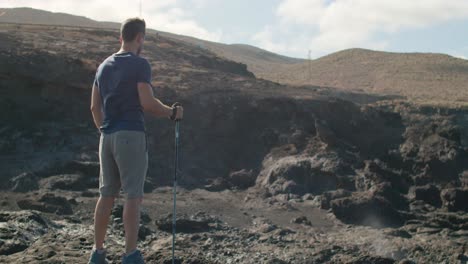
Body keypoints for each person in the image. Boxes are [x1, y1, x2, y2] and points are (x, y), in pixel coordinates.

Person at [88, 18, 183, 264]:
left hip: (106, 137)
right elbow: (148, 103)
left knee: (106, 194)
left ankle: (97, 254)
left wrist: (104, 131)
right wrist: (172, 113)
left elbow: (94, 107)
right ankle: (130, 255)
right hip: (130, 135)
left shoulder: (103, 66)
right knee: (133, 196)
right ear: (139, 38)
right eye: (144, 39)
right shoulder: (140, 64)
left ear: (121, 37)